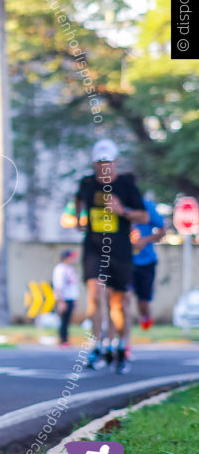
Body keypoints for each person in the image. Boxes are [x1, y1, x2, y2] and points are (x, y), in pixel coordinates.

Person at [75, 138, 147, 374]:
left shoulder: (126, 185)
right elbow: (77, 200)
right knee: (95, 297)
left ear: (116, 162)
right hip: (94, 249)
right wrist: (79, 219)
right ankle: (97, 345)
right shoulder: (87, 184)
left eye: (108, 162)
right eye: (100, 162)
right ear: (94, 164)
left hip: (120, 251)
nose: (104, 166)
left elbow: (144, 217)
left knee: (120, 303)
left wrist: (122, 210)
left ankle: (121, 345)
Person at [131, 195, 165, 331]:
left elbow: (163, 229)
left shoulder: (146, 205)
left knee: (143, 301)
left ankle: (145, 317)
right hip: (124, 261)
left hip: (146, 261)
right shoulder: (116, 204)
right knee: (123, 296)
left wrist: (143, 241)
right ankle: (121, 336)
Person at [52, 249, 79, 347]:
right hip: (64, 298)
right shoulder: (60, 269)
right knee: (63, 320)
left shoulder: (70, 269)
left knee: (68, 321)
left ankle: (66, 339)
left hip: (71, 298)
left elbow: (74, 286)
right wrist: (61, 301)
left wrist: (75, 300)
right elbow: (58, 285)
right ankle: (63, 340)